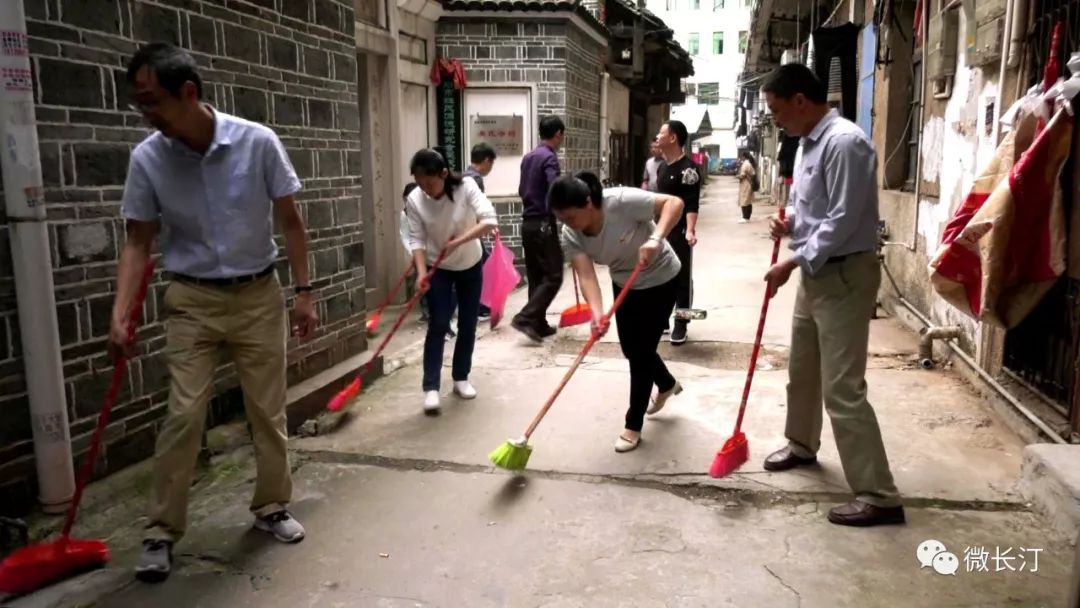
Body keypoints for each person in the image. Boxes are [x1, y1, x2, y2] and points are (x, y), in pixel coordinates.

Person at [112, 42, 316, 583]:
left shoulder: (258, 143)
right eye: (138, 104)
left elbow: (291, 221)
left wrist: (304, 291)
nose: (146, 114)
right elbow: (138, 240)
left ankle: (271, 506)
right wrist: (119, 311)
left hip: (257, 294)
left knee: (266, 410)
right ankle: (160, 531)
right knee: (183, 415)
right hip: (192, 299)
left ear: (190, 93)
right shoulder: (148, 158)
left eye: (152, 101)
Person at [759, 63, 903, 527]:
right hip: (816, 271)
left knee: (842, 387)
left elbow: (842, 220)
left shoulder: (845, 143)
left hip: (843, 275)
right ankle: (801, 443)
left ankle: (879, 494)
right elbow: (816, 215)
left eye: (779, 111)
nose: (776, 120)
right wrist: (791, 227)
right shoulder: (807, 144)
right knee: (803, 369)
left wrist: (792, 260)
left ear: (802, 100)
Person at [549, 172, 686, 453]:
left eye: (570, 217)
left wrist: (656, 238)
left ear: (589, 203)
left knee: (642, 352)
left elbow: (674, 203)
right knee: (631, 348)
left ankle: (632, 424)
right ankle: (667, 383)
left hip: (662, 278)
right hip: (625, 281)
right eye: (562, 220)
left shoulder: (621, 201)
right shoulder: (570, 233)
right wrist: (597, 313)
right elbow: (586, 276)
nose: (567, 225)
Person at [405, 149, 498, 414]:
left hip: (470, 263)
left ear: (444, 174)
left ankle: (460, 378)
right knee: (439, 323)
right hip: (439, 267)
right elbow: (417, 239)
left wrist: (457, 242)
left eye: (430, 183)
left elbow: (490, 220)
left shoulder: (466, 187)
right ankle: (431, 387)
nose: (425, 189)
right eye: (420, 183)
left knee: (468, 323)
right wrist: (422, 273)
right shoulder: (415, 198)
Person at [512, 116, 566, 342]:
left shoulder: (529, 157)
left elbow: (522, 188)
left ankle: (538, 323)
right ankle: (526, 317)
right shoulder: (549, 158)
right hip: (544, 223)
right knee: (553, 275)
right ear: (558, 134)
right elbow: (555, 189)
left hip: (528, 223)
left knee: (536, 275)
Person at [655, 120, 701, 345]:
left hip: (680, 231)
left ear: (672, 138)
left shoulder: (689, 170)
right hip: (662, 231)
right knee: (659, 275)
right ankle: (662, 316)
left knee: (681, 277)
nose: (657, 135)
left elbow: (692, 204)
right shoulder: (662, 167)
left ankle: (681, 322)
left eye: (661, 133)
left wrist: (690, 230)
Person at [464, 143, 497, 321]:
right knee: (483, 268)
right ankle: (481, 308)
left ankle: (479, 307)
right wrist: (487, 227)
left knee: (480, 266)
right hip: (473, 232)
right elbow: (477, 208)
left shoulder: (464, 175)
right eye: (491, 163)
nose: (490, 168)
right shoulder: (475, 179)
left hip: (467, 230)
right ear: (486, 160)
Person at [736, 150, 757, 223]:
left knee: (744, 200)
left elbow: (743, 175)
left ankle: (745, 217)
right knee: (748, 201)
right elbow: (753, 174)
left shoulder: (745, 164)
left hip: (745, 184)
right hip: (749, 184)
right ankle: (747, 217)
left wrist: (738, 176)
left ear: (743, 157)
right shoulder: (749, 163)